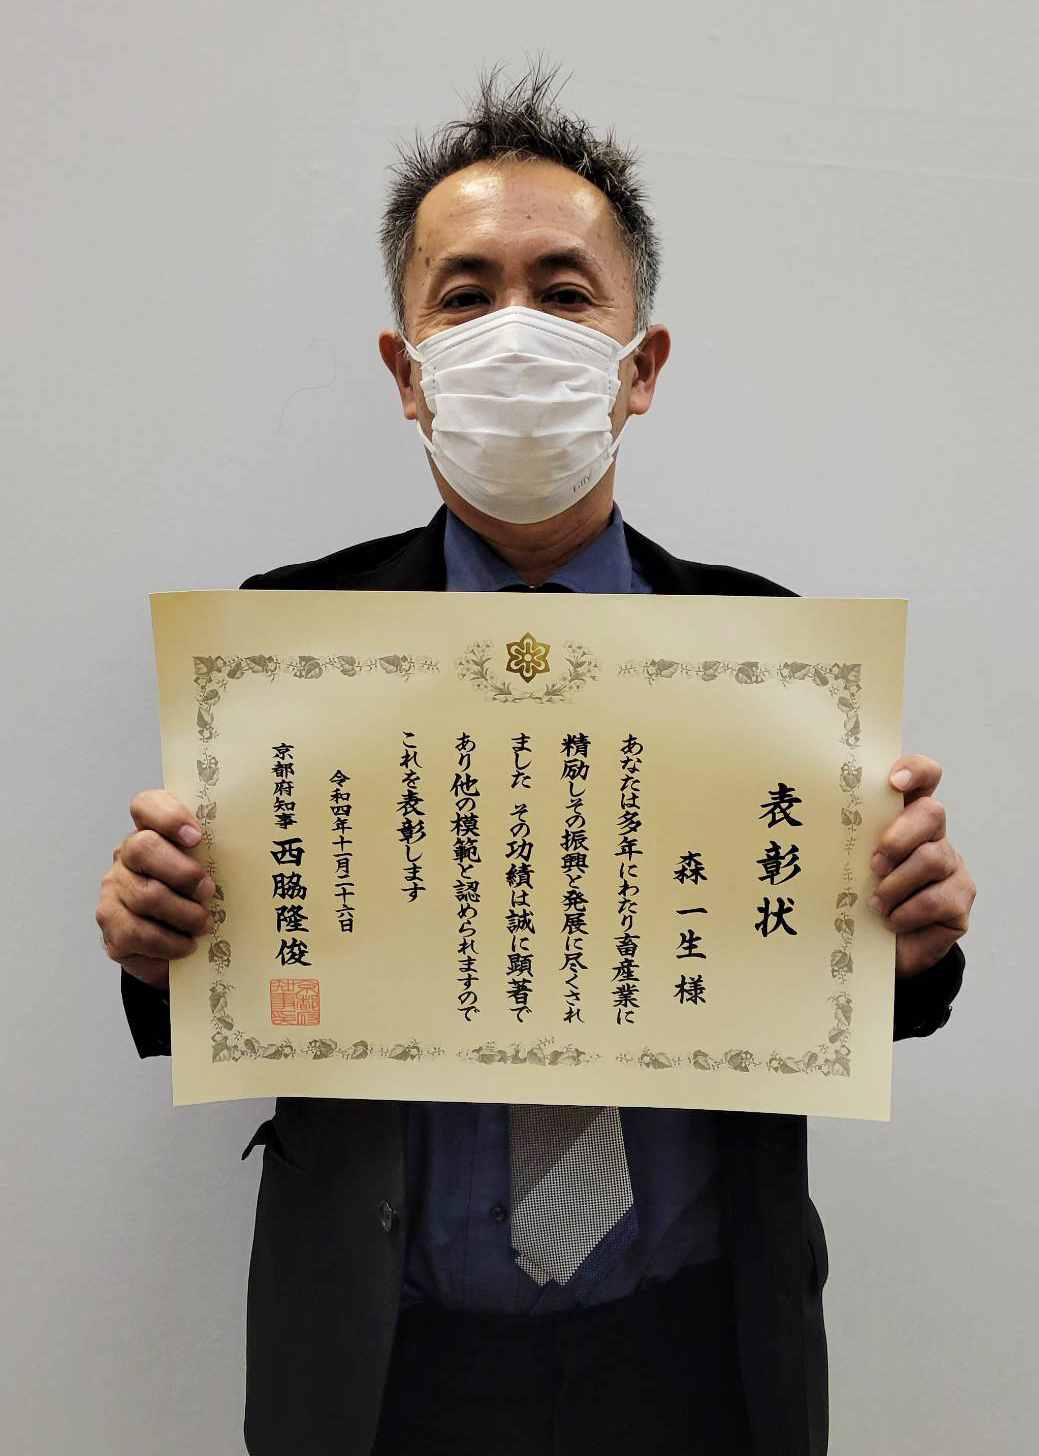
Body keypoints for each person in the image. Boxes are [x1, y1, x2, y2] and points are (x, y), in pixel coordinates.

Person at [95, 64, 976, 1456]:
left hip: (699, 1357)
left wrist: (912, 941)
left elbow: (855, 997)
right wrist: (156, 943)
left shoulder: (768, 653)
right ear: (406, 371)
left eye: (565, 293)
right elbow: (217, 986)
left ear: (642, 365)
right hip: (388, 1366)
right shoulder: (285, 647)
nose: (516, 332)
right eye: (465, 295)